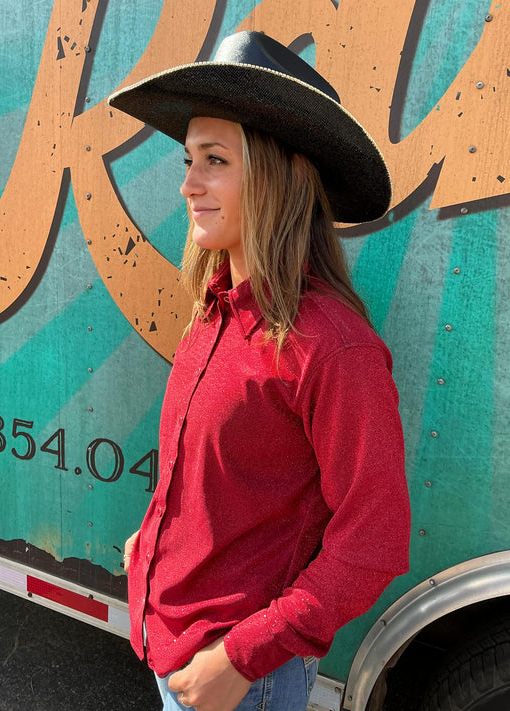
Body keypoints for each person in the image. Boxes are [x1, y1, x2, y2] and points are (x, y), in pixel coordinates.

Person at [109, 30, 410, 711]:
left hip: (238, 679)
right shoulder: (214, 310)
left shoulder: (331, 347)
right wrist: (156, 535)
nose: (186, 184)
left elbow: (375, 539)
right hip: (173, 644)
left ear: (285, 175)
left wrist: (239, 659)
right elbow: (221, 473)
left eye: (213, 160)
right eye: (189, 159)